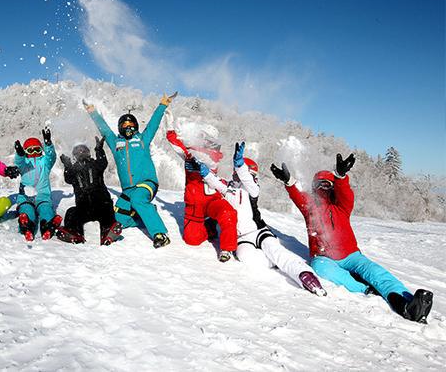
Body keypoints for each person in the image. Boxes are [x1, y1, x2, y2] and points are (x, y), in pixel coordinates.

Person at [271, 153, 433, 322]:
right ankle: (365, 289)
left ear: (333, 188)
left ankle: (407, 303)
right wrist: (289, 182)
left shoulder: (342, 206)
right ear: (314, 187)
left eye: (328, 185)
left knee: (375, 272)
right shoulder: (310, 209)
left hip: (351, 256)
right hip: (324, 258)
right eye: (320, 185)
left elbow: (346, 194)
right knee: (320, 268)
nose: (324, 188)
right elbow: (298, 197)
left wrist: (340, 177)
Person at [200, 142, 326, 295]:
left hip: (259, 231)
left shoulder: (252, 190)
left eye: (248, 176)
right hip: (242, 237)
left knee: (275, 251)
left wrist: (240, 166)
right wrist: (205, 173)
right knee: (245, 258)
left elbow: (247, 181)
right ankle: (275, 262)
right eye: (237, 174)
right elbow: (217, 184)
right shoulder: (229, 191)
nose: (241, 178)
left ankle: (304, 274)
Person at [84, 93, 175, 248]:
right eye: (125, 126)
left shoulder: (142, 139)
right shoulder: (116, 143)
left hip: (146, 183)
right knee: (118, 219)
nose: (128, 128)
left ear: (136, 127)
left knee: (138, 200)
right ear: (120, 128)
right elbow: (105, 130)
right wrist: (92, 111)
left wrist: (163, 105)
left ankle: (159, 233)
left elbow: (153, 124)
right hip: (128, 190)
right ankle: (144, 215)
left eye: (131, 125)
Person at [166, 129, 238, 262]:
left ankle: (227, 248)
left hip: (212, 200)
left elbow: (211, 162)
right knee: (192, 240)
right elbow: (177, 145)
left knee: (228, 213)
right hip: (195, 204)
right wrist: (170, 130)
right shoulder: (190, 155)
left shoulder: (213, 157)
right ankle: (208, 224)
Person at [57, 136, 123, 245]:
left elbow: (103, 163)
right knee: (71, 212)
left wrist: (99, 150)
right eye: (78, 151)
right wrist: (67, 165)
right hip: (83, 207)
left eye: (83, 150)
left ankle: (107, 231)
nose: (81, 152)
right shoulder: (74, 169)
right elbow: (68, 178)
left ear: (88, 153)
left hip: (100, 204)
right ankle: (74, 233)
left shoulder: (94, 164)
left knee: (107, 208)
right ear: (75, 155)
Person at [14, 127, 61, 241]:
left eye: (37, 150)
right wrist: (20, 154)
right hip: (26, 197)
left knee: (45, 209)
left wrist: (48, 144)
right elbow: (18, 162)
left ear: (41, 150)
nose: (34, 153)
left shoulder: (45, 163)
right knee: (27, 210)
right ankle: (26, 226)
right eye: (30, 151)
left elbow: (51, 157)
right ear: (25, 152)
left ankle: (48, 225)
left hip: (42, 196)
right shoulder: (24, 163)